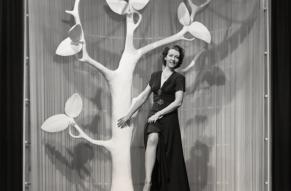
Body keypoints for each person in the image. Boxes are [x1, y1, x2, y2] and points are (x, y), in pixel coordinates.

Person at [117, 45, 190, 191]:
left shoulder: (179, 78)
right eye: (171, 55)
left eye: (176, 57)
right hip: (153, 117)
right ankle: (148, 182)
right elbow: (143, 97)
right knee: (152, 139)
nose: (173, 59)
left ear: (179, 60)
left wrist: (159, 114)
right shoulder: (155, 76)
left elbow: (178, 102)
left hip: (168, 119)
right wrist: (128, 115)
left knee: (169, 157)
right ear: (165, 57)